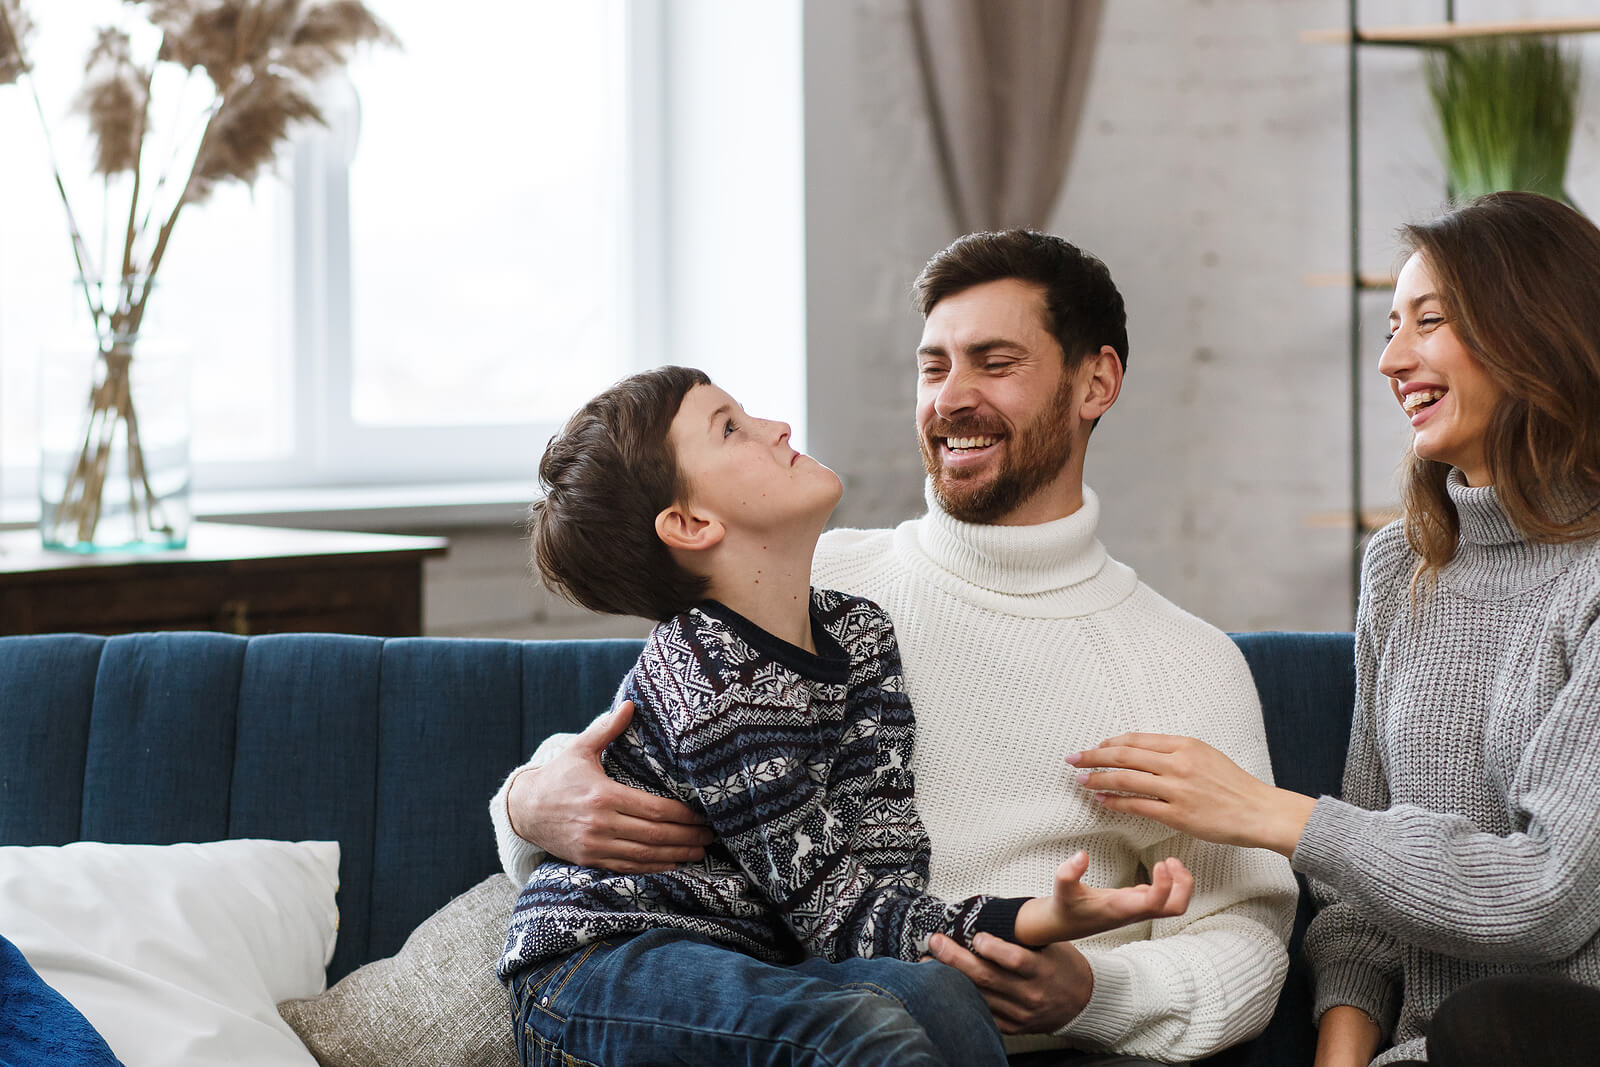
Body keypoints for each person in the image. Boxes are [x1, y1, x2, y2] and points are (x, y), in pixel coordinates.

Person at [492, 230, 1300, 1064]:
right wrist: (527, 801)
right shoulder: (801, 580)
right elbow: (631, 753)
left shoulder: (1179, 663)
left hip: (904, 995)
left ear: (1096, 381)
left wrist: (1096, 993)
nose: (953, 397)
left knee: (914, 1000)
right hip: (754, 991)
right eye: (934, 366)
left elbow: (1249, 940)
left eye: (994, 362)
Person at [1065, 191, 1600, 1066]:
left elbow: (1545, 894)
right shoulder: (1404, 570)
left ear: (1535, 330)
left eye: (1429, 320)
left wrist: (1269, 812)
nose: (1392, 358)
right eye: (1391, 325)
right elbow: (1357, 908)